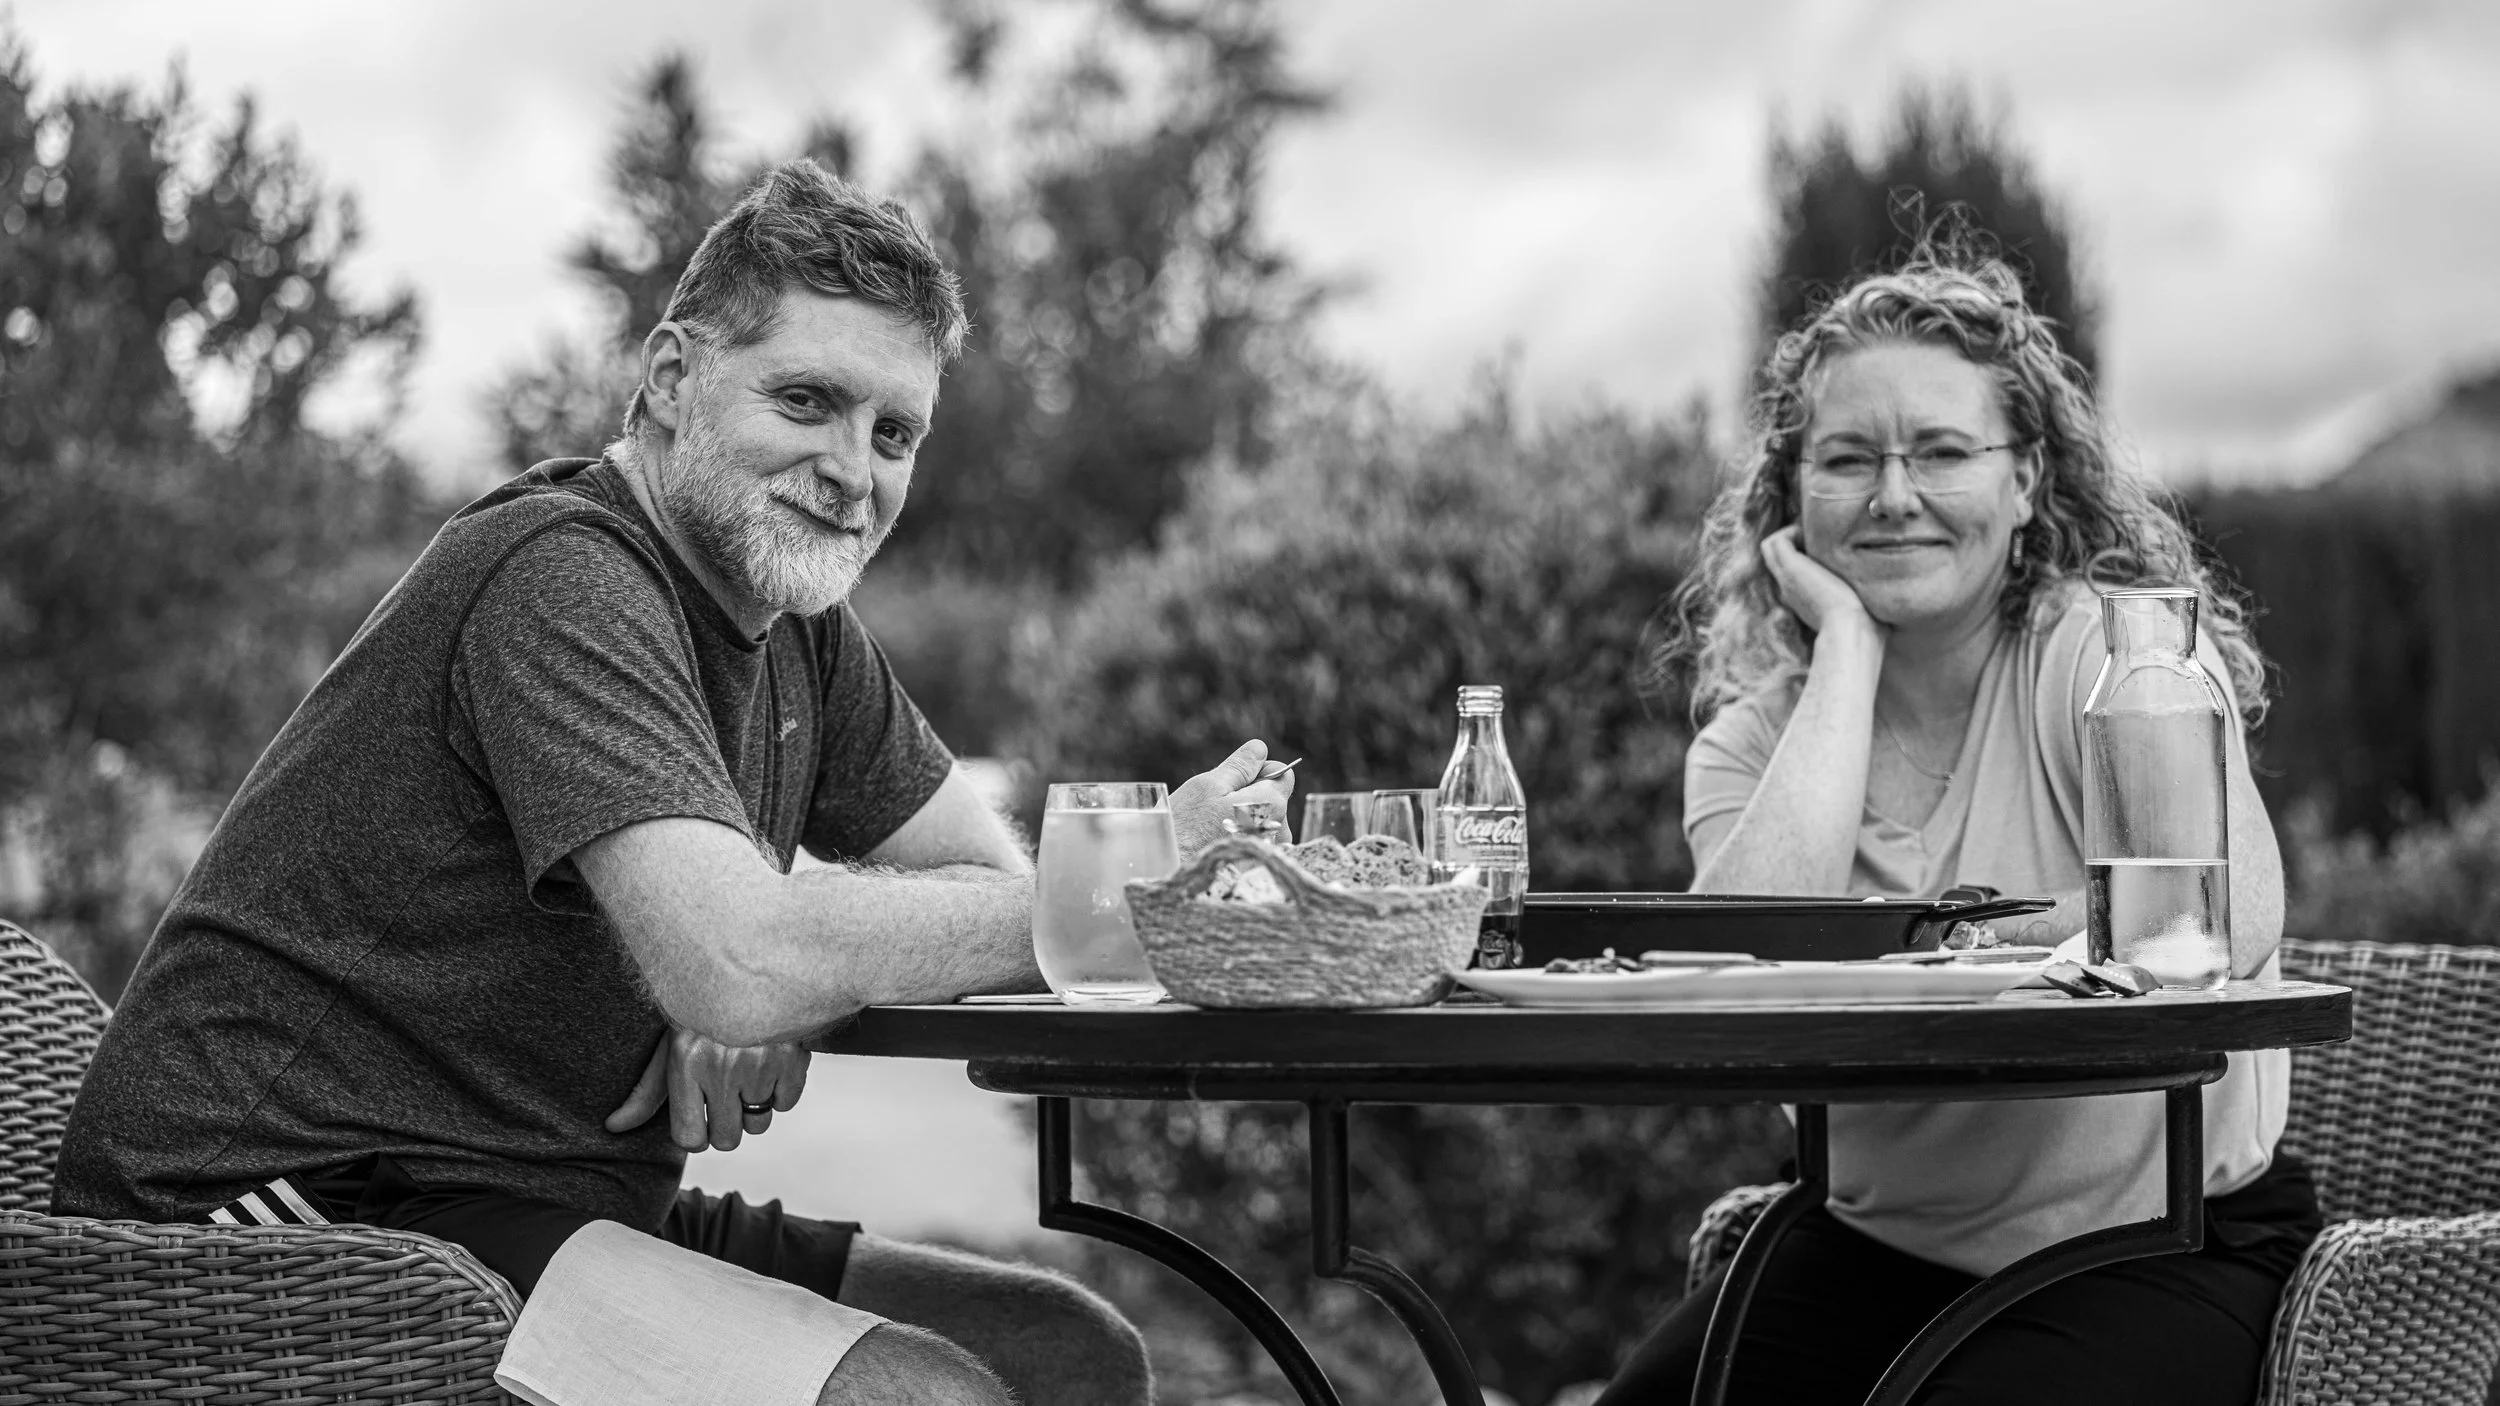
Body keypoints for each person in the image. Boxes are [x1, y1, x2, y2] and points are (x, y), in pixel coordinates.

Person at [52, 159, 1290, 1406]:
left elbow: (958, 889)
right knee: (921, 1399)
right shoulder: (559, 577)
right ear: (669, 378)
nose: (852, 472)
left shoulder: (796, 621)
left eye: (894, 431)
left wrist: (776, 979)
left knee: (1071, 1356)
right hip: (287, 1208)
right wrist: (1112, 894)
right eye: (807, 399)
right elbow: (746, 957)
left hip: (541, 1198)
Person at [1597, 252, 2316, 1405]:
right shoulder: (1750, 746)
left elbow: (2217, 927)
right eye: (1846, 459)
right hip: (1879, 1251)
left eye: (1939, 451)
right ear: (1791, 496)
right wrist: (1844, 649)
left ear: (2026, 479)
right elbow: (1724, 978)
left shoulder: (2106, 663)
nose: (1892, 495)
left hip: (2162, 1238)